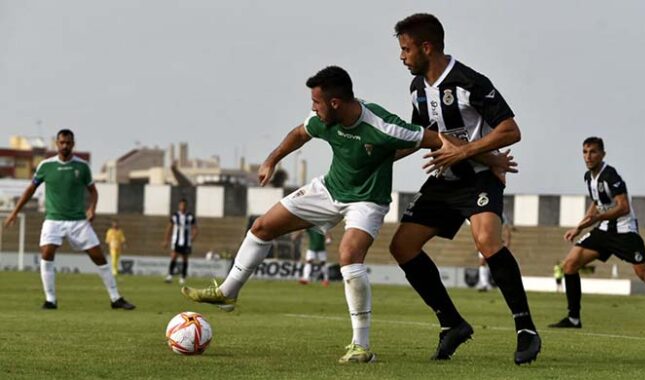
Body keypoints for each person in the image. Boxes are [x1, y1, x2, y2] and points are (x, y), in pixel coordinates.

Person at [180, 66, 515, 364]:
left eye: (317, 102)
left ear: (336, 103)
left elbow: (439, 140)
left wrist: (492, 159)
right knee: (262, 227)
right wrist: (272, 160)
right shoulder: (324, 121)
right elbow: (298, 134)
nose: (313, 108)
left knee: (348, 254)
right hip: (328, 190)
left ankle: (361, 345)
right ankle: (228, 291)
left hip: (367, 201)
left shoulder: (384, 126)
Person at [389, 13, 540, 365]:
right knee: (402, 246)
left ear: (427, 47)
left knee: (487, 240)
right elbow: (419, 138)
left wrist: (469, 152)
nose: (402, 56)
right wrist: (373, 155)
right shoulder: (417, 90)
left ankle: (526, 329)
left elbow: (510, 131)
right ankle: (452, 324)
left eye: (406, 49)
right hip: (445, 181)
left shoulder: (469, 81)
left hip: (478, 180)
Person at [549, 137, 645, 332]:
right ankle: (574, 318)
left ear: (602, 154)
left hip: (625, 232)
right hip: (603, 230)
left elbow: (624, 207)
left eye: (593, 152)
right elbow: (596, 204)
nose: (588, 156)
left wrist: (597, 217)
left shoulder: (610, 175)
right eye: (585, 152)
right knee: (570, 264)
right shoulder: (588, 177)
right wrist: (579, 227)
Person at [2, 129, 135, 310]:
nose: (65, 146)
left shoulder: (82, 167)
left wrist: (92, 208)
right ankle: (50, 299)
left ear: (73, 144)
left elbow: (93, 191)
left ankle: (115, 298)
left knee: (99, 257)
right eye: (62, 142)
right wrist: (14, 212)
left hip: (78, 222)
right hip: (53, 220)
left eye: (68, 143)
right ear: (56, 144)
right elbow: (30, 190)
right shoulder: (46, 166)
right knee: (47, 254)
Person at [163, 199, 198, 285]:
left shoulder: (190, 216)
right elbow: (169, 228)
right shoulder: (175, 216)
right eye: (181, 205)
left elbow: (195, 228)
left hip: (186, 242)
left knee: (185, 259)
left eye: (184, 205)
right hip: (176, 241)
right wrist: (166, 240)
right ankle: (170, 275)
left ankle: (183, 277)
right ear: (179, 206)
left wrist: (193, 237)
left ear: (186, 206)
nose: (183, 207)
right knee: (174, 256)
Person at [477, 215, 512, 292]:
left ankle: (504, 284)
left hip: (496, 242)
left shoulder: (501, 214)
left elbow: (506, 228)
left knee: (498, 264)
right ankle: (484, 285)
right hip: (485, 241)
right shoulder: (483, 213)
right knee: (482, 262)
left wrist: (507, 241)